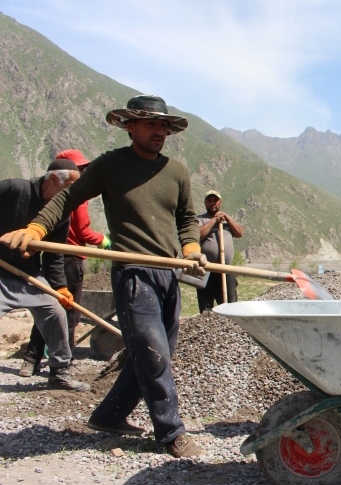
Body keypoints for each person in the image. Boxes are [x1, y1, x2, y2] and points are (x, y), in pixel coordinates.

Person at [1, 95, 208, 459]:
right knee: (153, 352)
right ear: (131, 126)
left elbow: (187, 218)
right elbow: (67, 198)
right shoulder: (112, 165)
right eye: (151, 124)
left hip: (168, 274)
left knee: (156, 352)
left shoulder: (176, 171)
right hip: (133, 274)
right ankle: (171, 432)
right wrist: (36, 228)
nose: (159, 131)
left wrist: (190, 249)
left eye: (163, 126)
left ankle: (109, 416)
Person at [19, 149, 110, 377]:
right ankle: (63, 363)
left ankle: (31, 360)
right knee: (69, 314)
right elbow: (83, 231)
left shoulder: (53, 196)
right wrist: (103, 239)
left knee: (48, 310)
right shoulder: (75, 197)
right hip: (68, 259)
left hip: (53, 258)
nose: (85, 173)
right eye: (82, 168)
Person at [0, 159, 89, 391]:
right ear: (53, 179)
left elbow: (54, 254)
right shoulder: (14, 189)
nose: (73, 194)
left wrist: (60, 287)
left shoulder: (61, 211)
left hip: (27, 276)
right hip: (0, 274)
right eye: (70, 187)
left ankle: (59, 372)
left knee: (55, 312)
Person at [196, 189, 244, 312]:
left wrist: (227, 218)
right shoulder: (200, 219)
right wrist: (214, 221)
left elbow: (240, 233)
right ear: (205, 203)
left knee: (230, 305)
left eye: (215, 200)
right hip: (207, 270)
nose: (213, 203)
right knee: (206, 308)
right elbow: (198, 235)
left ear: (220, 202)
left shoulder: (226, 220)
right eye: (209, 200)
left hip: (226, 269)